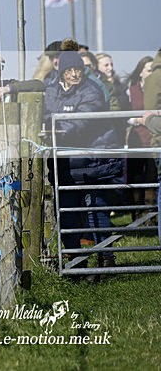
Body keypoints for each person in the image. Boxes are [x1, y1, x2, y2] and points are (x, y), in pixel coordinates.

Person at [44, 52, 123, 276]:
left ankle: (105, 259)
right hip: (67, 163)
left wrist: (57, 130)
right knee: (67, 212)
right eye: (69, 70)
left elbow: (84, 119)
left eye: (78, 69)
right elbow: (45, 113)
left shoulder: (92, 90)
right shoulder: (50, 91)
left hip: (94, 162)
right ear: (62, 72)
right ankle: (75, 262)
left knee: (95, 210)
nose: (74, 74)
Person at [125, 56, 156, 218]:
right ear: (140, 72)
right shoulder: (131, 90)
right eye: (148, 70)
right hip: (136, 137)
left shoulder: (157, 89)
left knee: (152, 175)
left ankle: (150, 215)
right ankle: (136, 214)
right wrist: (138, 120)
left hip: (154, 137)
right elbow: (125, 114)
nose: (151, 74)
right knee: (135, 175)